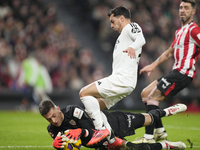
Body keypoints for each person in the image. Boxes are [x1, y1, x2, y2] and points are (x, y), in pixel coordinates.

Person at [133, 0, 200, 143]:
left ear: (193, 11)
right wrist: (153, 65)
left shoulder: (194, 30)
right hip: (175, 71)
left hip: (183, 73)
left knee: (153, 97)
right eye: (181, 8)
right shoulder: (179, 31)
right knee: (145, 93)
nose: (182, 10)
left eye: (186, 8)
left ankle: (148, 137)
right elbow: (170, 52)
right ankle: (160, 131)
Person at [79, 6, 146, 146]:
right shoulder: (123, 36)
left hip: (122, 80)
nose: (111, 25)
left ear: (122, 18)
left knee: (83, 93)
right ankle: (112, 141)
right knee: (93, 108)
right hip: (125, 82)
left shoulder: (130, 27)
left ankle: (101, 130)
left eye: (112, 21)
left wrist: (133, 47)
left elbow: (141, 38)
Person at [39, 99, 187, 150]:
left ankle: (167, 111)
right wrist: (57, 146)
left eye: (53, 116)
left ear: (57, 109)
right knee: (135, 149)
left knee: (149, 119)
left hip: (112, 123)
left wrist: (80, 132)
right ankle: (166, 145)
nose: (53, 121)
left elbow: (92, 131)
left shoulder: (73, 111)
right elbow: (71, 146)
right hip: (103, 144)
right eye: (49, 119)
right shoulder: (52, 130)